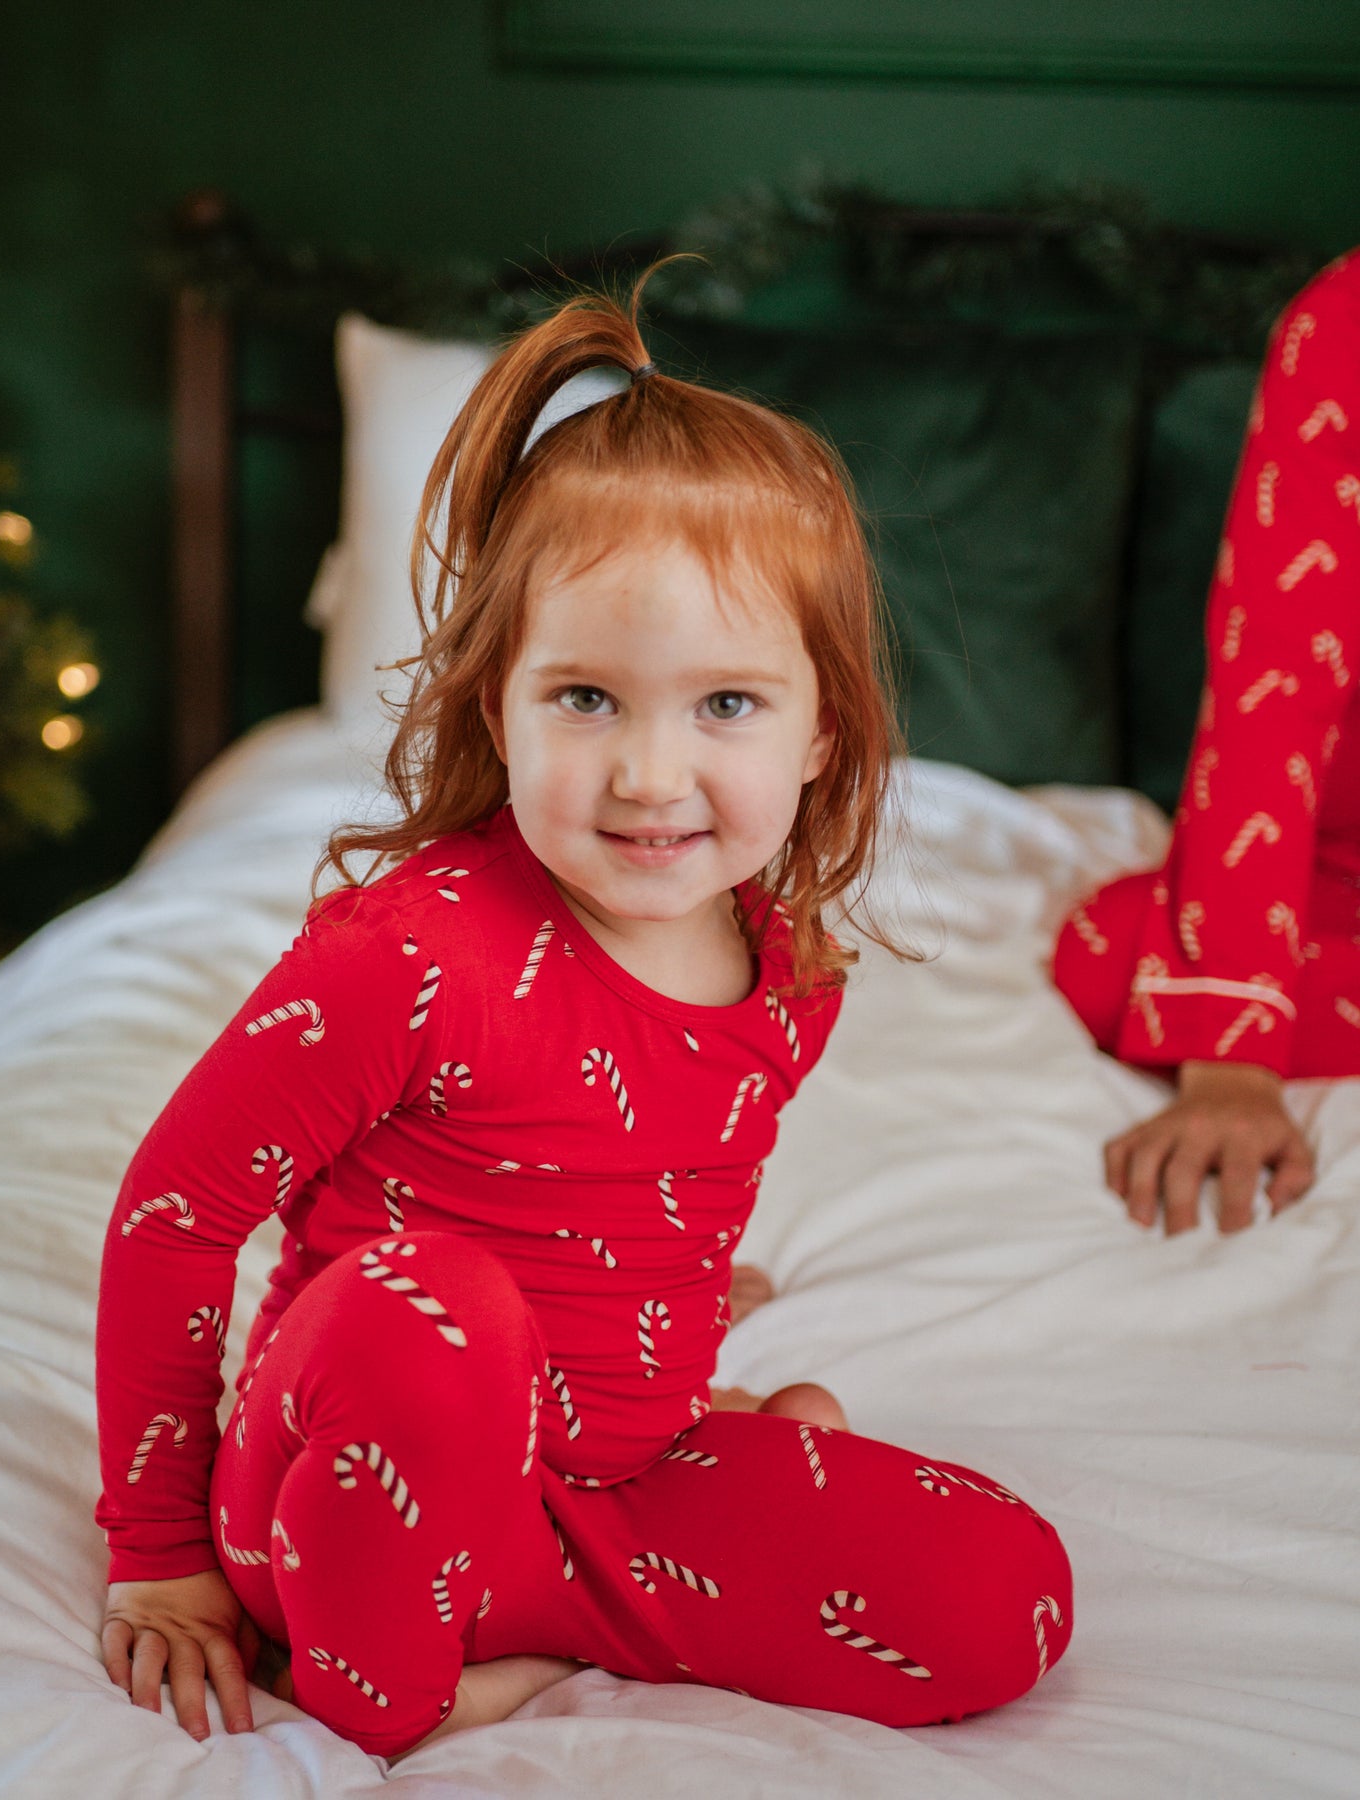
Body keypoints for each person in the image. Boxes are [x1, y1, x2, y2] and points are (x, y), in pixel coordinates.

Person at [94, 274, 1074, 1762]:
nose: (650, 775)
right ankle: (378, 1681)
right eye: (588, 699)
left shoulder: (785, 969)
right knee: (439, 1311)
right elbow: (176, 1214)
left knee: (1010, 1596)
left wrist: (672, 1334)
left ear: (827, 729)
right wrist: (157, 1551)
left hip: (602, 1485)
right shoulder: (409, 954)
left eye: (727, 706)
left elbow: (634, 1186)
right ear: (499, 706)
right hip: (349, 1486)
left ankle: (526, 1617)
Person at [1054, 249, 1359, 1236]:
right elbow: (1273, 682)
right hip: (1331, 868)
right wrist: (1232, 1055)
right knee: (1105, 955)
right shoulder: (1342, 324)